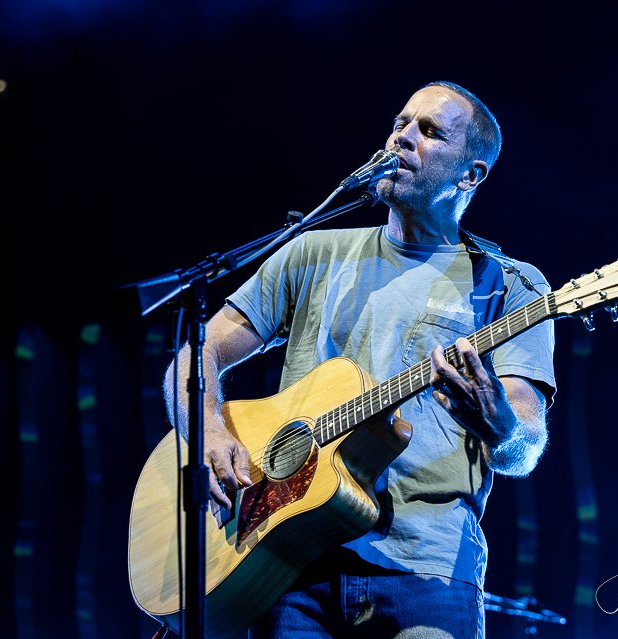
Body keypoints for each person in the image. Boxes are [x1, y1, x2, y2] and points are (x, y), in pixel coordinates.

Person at [164, 80, 556, 638]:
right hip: (287, 560)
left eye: (429, 131)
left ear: (470, 175)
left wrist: (498, 426)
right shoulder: (312, 252)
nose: (402, 137)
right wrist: (205, 430)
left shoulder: (508, 285)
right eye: (400, 123)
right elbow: (194, 355)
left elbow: (524, 449)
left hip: (427, 568)